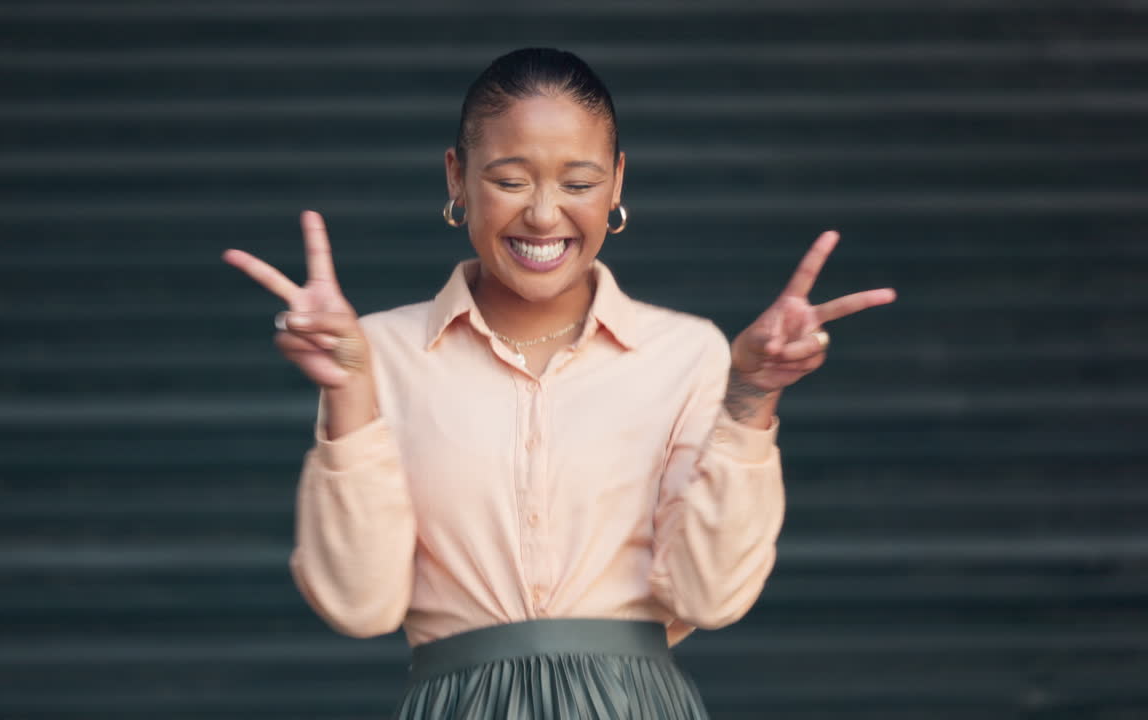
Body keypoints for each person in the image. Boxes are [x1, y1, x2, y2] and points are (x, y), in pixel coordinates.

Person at [222, 47, 896, 719]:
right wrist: (347, 388)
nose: (544, 216)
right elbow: (359, 605)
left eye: (578, 183)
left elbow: (710, 597)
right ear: (457, 177)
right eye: (511, 180)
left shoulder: (687, 353)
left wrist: (750, 397)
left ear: (617, 182)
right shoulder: (379, 353)